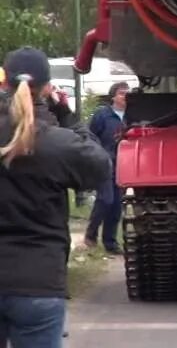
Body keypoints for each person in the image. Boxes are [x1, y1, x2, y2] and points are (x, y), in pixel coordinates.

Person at [0, 46, 110, 347]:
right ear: (47, 88)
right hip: (39, 279)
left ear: (3, 83)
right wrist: (68, 116)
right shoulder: (57, 142)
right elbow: (100, 167)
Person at [84, 81, 130, 254]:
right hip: (104, 162)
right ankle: (91, 234)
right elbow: (91, 136)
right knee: (105, 199)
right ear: (113, 96)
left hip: (122, 165)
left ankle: (110, 243)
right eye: (121, 93)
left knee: (117, 205)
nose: (125, 96)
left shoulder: (130, 116)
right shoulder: (103, 115)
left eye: (127, 93)